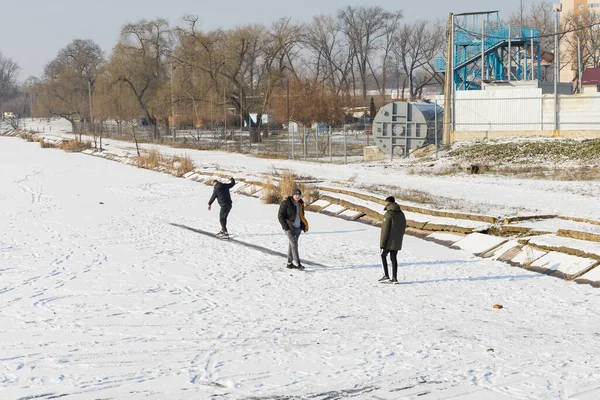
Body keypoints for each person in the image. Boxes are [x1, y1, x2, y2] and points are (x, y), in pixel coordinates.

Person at [278, 188, 309, 270]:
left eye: (299, 195)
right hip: (289, 228)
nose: (297, 196)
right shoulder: (286, 203)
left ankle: (289, 263)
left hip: (298, 228)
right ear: (293, 195)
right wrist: (286, 227)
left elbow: (302, 215)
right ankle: (298, 263)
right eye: (296, 195)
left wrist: (303, 226)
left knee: (291, 245)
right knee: (294, 245)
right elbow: (280, 216)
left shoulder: (300, 204)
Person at [379, 196, 406, 284]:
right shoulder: (401, 213)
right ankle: (394, 278)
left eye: (385, 202)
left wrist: (382, 243)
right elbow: (403, 226)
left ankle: (386, 275)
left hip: (389, 240)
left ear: (388, 203)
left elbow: (385, 230)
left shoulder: (388, 214)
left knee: (383, 255)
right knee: (393, 258)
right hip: (397, 240)